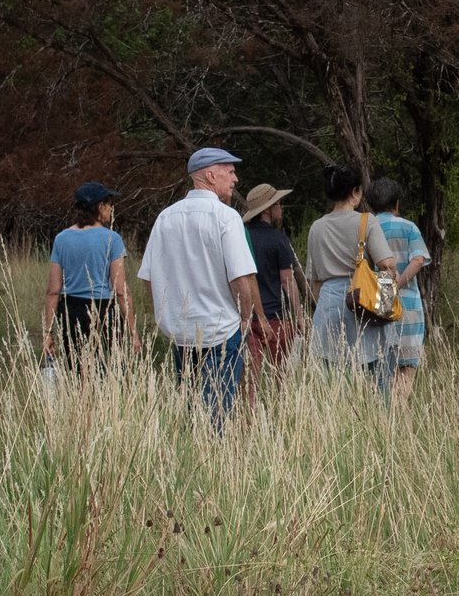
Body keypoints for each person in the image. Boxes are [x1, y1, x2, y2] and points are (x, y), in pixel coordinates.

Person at [135, 147, 264, 425]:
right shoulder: (225, 217)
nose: (235, 179)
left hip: (181, 331)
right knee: (219, 408)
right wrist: (245, 317)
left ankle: (195, 456)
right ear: (210, 174)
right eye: (229, 172)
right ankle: (215, 461)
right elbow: (241, 278)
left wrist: (165, 314)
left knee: (192, 406)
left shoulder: (165, 218)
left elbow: (148, 277)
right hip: (222, 328)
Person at [303, 163, 397, 387]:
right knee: (375, 376)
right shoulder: (366, 221)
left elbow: (314, 281)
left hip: (327, 304)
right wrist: (384, 305)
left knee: (332, 381)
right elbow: (387, 265)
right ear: (355, 192)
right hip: (362, 300)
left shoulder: (316, 227)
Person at [41, 182, 129, 370]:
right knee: (109, 371)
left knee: (78, 368)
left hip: (71, 309)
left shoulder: (62, 238)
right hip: (104, 309)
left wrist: (47, 332)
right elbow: (119, 289)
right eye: (109, 203)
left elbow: (53, 290)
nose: (112, 208)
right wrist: (133, 330)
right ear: (100, 207)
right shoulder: (112, 239)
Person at [366, 177, 433, 401]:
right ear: (396, 204)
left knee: (384, 372)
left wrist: (385, 289)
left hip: (376, 308)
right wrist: (398, 283)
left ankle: (388, 420)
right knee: (406, 372)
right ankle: (399, 420)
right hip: (409, 308)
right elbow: (418, 260)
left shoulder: (366, 229)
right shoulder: (409, 227)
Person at [238, 182, 303, 383]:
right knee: (280, 376)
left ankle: (248, 414)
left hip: (245, 316)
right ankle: (280, 411)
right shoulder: (278, 239)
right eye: (278, 204)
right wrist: (298, 315)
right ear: (267, 209)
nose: (280, 208)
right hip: (276, 317)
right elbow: (287, 280)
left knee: (249, 378)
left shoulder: (240, 236)